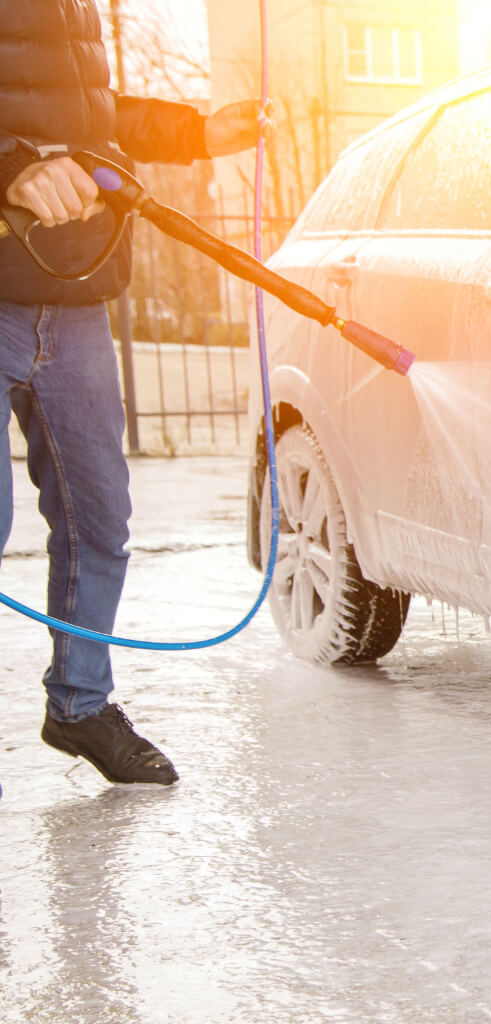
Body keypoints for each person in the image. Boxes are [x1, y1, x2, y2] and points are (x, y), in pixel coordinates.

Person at [0, 0, 270, 785]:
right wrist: (13, 171)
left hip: (75, 294)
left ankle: (80, 704)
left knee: (99, 516)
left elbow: (91, 118)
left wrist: (197, 134)